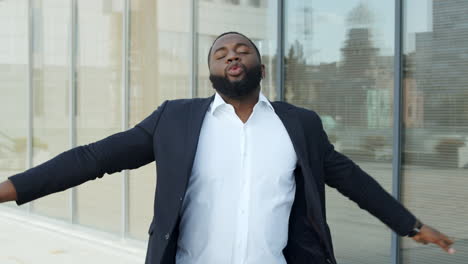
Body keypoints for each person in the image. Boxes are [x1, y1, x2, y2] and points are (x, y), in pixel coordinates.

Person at [0, 32, 455, 264]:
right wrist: (9, 188)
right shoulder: (174, 119)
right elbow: (93, 159)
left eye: (242, 49)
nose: (232, 55)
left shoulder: (300, 125)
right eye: (221, 53)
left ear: (260, 65)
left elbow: (353, 180)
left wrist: (411, 225)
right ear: (211, 71)